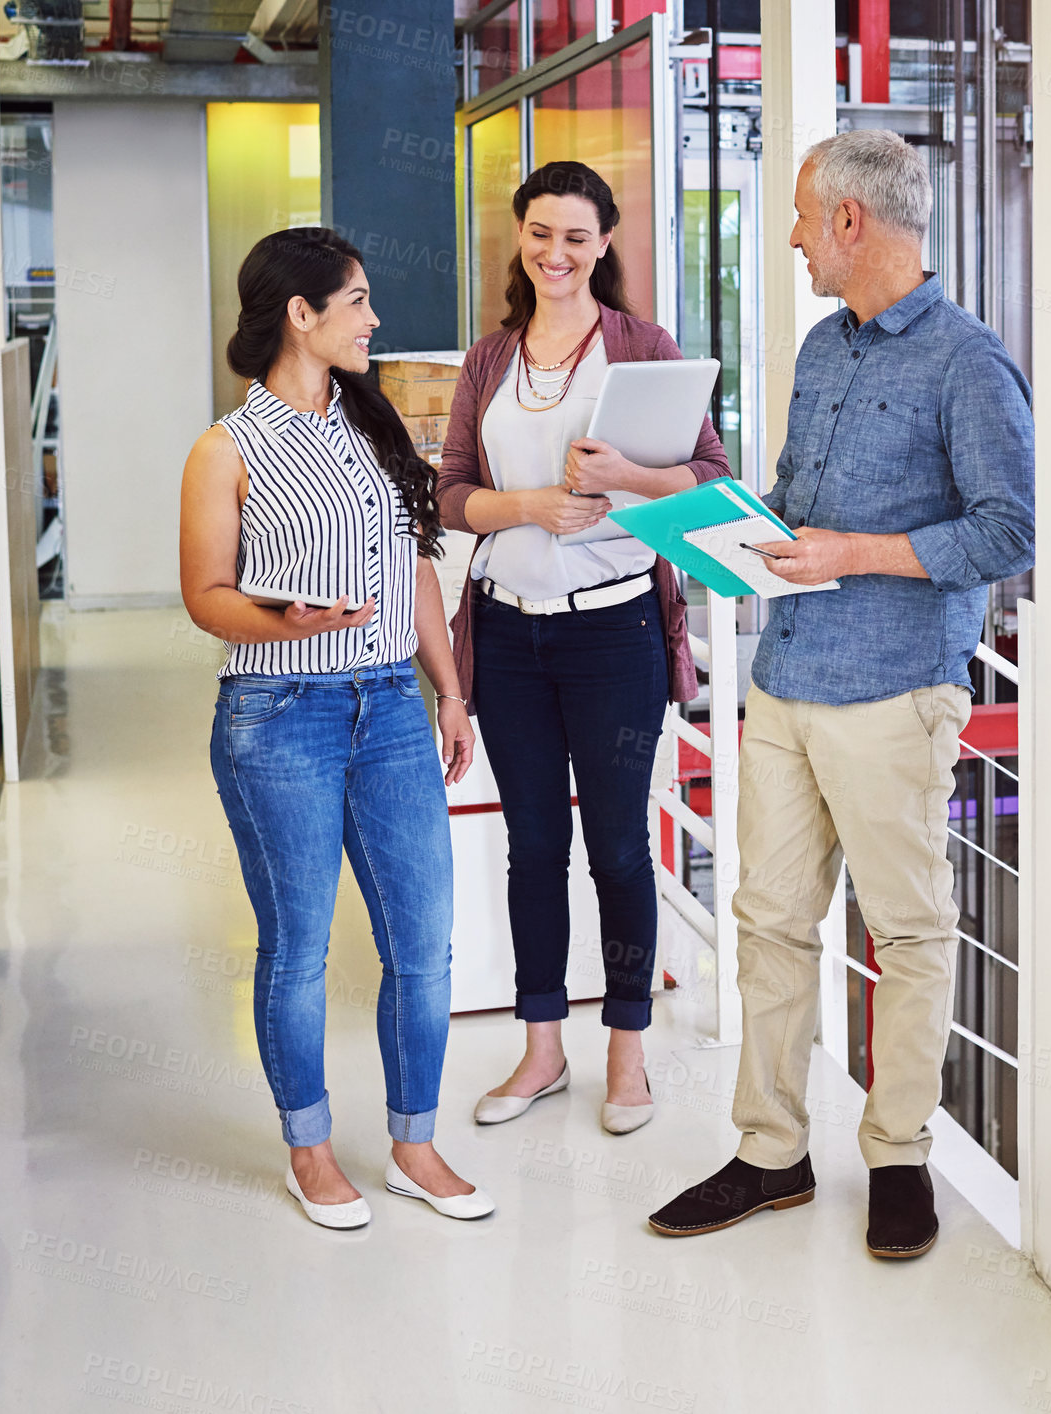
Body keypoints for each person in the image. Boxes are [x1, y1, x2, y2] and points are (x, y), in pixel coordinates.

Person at [648, 130, 1035, 1256]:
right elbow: (793, 501)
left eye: (806, 216)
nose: (795, 237)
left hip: (892, 692)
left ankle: (899, 1152)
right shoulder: (824, 347)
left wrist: (852, 554)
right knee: (768, 921)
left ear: (853, 223)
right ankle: (770, 1153)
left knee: (906, 930)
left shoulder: (968, 361)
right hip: (786, 682)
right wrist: (732, 536)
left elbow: (1010, 529)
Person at [179, 227, 492, 1229]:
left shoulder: (373, 427)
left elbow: (416, 569)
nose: (374, 317)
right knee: (298, 946)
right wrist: (284, 620)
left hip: (392, 709)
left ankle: (412, 1143)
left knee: (424, 941)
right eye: (355, 300)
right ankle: (309, 1149)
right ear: (299, 314)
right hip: (280, 718)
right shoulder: (225, 448)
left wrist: (448, 689)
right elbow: (204, 595)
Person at [437, 161, 731, 1134]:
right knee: (533, 849)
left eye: (575, 235)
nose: (555, 252)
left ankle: (628, 1047)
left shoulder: (642, 349)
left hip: (615, 632)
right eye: (539, 232)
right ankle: (542, 1047)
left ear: (604, 244)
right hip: (511, 634)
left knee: (615, 849)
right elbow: (448, 498)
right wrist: (531, 506)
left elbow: (706, 479)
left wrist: (630, 476)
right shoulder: (490, 359)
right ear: (518, 238)